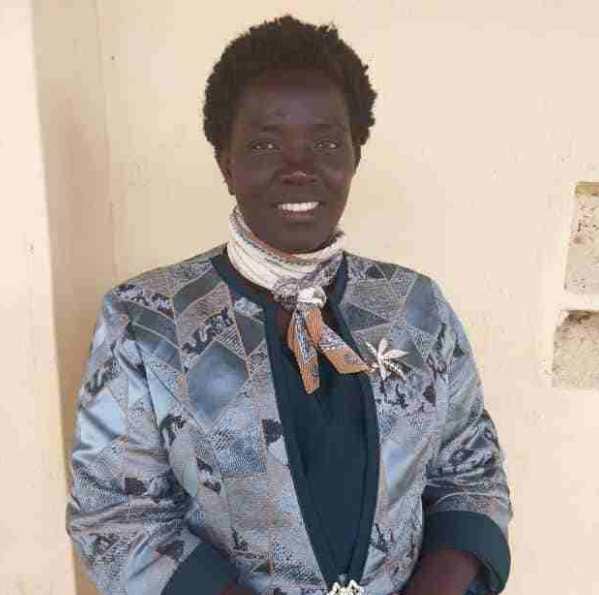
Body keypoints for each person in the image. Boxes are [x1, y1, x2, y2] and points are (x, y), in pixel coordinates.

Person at [66, 14, 512, 595]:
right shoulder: (146, 319)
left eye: (325, 143)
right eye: (264, 145)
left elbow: (471, 473)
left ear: (355, 154)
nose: (299, 168)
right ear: (226, 163)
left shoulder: (415, 306)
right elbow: (115, 515)